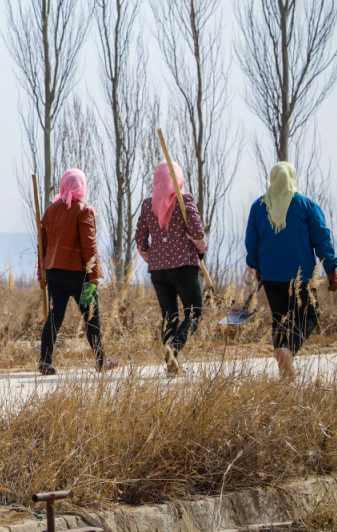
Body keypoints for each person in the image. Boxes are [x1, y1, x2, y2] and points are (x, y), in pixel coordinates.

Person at [245, 161, 337, 379]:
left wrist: (258, 267)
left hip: (270, 276)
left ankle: (283, 366)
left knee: (280, 319)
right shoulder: (306, 205)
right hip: (300, 277)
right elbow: (322, 239)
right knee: (309, 316)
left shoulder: (259, 206)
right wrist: (331, 270)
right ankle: (288, 350)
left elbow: (252, 242)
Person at [36, 169, 121, 375]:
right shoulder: (84, 210)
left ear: (63, 185)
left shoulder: (50, 211)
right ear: (82, 187)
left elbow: (42, 244)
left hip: (54, 271)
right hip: (79, 274)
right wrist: (94, 275)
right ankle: (101, 361)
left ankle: (45, 361)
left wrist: (41, 271)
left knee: (54, 317)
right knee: (91, 317)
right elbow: (89, 245)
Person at [135, 161, 208, 376]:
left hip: (158, 271)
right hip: (183, 266)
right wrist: (201, 250)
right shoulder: (184, 200)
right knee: (194, 312)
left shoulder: (148, 205)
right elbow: (197, 232)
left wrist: (153, 257)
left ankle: (171, 364)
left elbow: (140, 240)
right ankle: (174, 348)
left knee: (169, 315)